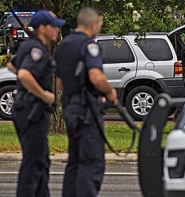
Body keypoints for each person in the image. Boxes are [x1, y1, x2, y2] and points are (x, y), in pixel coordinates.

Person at [55, 7, 117, 197]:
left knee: (75, 161)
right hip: (87, 111)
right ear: (93, 24)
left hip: (71, 109)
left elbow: (59, 83)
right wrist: (110, 92)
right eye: (100, 25)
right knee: (91, 162)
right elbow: (96, 77)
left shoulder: (64, 45)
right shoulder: (89, 45)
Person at [8, 10, 66, 197]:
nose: (57, 29)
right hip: (32, 110)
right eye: (54, 26)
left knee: (41, 160)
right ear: (42, 28)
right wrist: (44, 95)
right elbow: (24, 73)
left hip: (26, 109)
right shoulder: (37, 50)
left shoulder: (30, 46)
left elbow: (13, 66)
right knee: (33, 162)